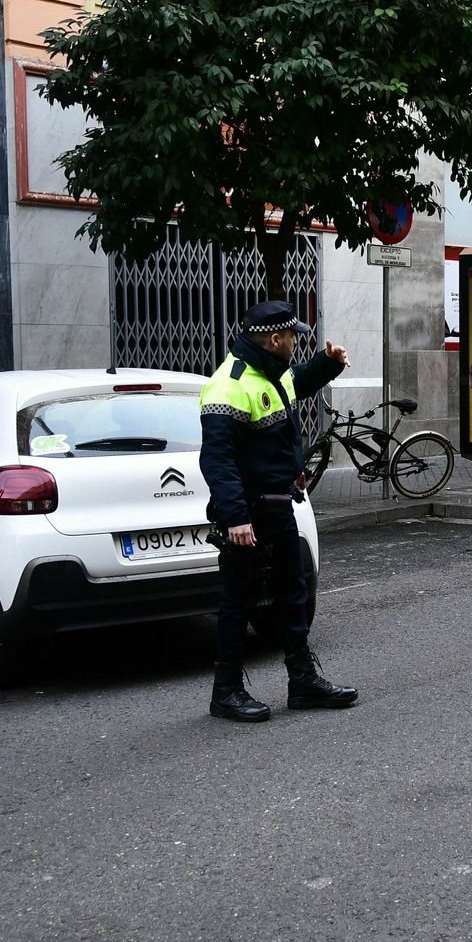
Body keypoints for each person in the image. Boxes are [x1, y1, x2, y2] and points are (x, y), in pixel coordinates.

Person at [199, 300, 358, 723]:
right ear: (274, 339)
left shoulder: (273, 372)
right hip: (247, 513)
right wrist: (234, 517)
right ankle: (226, 691)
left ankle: (302, 681)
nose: (294, 341)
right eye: (291, 336)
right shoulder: (228, 384)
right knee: (239, 601)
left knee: (293, 594)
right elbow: (218, 459)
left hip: (278, 505)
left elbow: (298, 382)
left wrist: (326, 363)